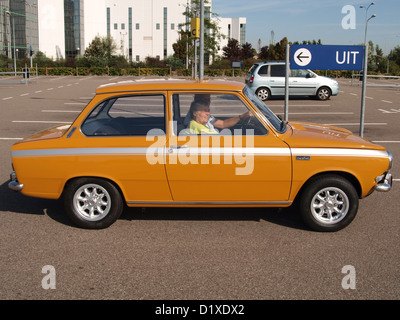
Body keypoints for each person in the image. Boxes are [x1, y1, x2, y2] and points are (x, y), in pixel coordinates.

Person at [187, 97, 252, 134]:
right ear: (195, 113)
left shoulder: (196, 124)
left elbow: (223, 124)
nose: (208, 113)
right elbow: (217, 139)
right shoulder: (197, 126)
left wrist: (242, 116)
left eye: (208, 110)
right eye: (204, 110)